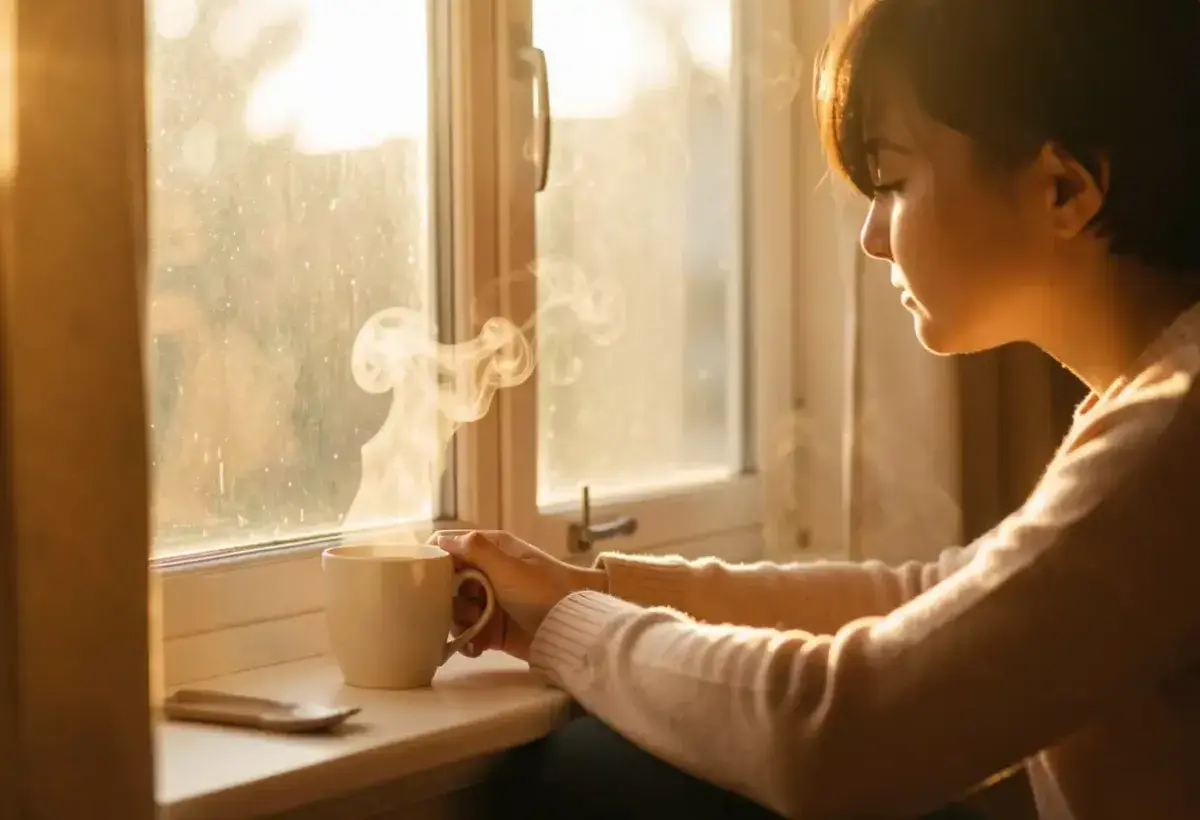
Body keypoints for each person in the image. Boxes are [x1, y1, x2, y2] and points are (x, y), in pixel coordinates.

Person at [438, 0, 1200, 817]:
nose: (873, 237)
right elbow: (935, 597)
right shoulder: (1151, 400)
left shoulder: (1175, 429)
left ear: (1063, 187)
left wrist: (570, 624)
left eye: (895, 180)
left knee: (579, 777)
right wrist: (594, 584)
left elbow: (839, 736)